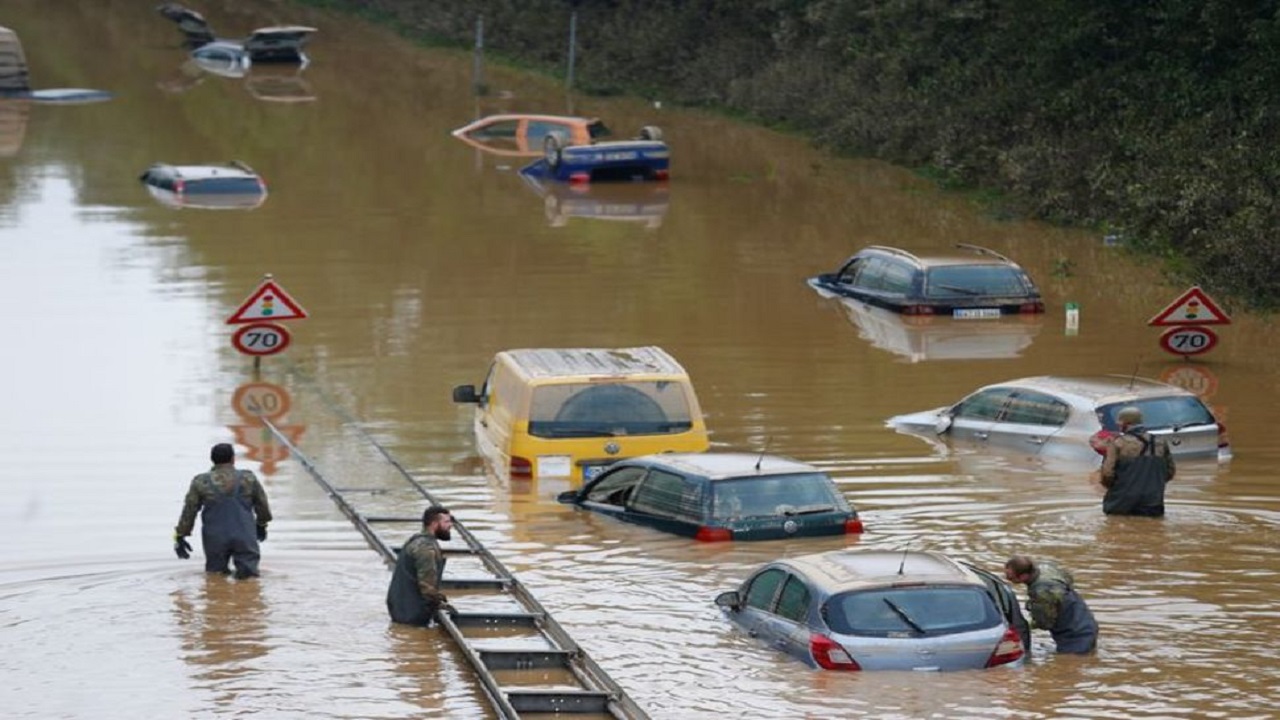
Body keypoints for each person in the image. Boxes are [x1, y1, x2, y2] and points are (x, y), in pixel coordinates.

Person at [174, 443, 272, 579]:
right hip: (244, 535)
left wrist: (180, 536)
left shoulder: (201, 481)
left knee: (215, 578)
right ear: (233, 459)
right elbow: (262, 505)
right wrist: (262, 524)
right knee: (249, 580)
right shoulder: (248, 478)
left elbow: (189, 511)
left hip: (215, 539)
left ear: (212, 459)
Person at [1004, 555, 1098, 654]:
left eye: (1010, 577)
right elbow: (1068, 579)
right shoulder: (1046, 567)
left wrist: (1023, 625)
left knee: (1070, 663)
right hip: (1084, 618)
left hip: (1074, 635)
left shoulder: (1041, 592)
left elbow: (1044, 623)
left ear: (1023, 576)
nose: (1007, 578)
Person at [1099, 406, 1176, 517]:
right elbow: (1170, 472)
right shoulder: (1160, 442)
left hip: (1121, 503)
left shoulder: (1117, 444)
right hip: (1153, 502)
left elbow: (1107, 473)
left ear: (1125, 424)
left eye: (1120, 423)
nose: (1119, 426)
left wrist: (1117, 488)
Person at [387, 505, 454, 626]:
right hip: (411, 612)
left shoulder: (416, 540)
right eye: (447, 522)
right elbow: (427, 586)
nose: (450, 525)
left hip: (400, 606)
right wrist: (441, 603)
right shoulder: (426, 548)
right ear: (434, 524)